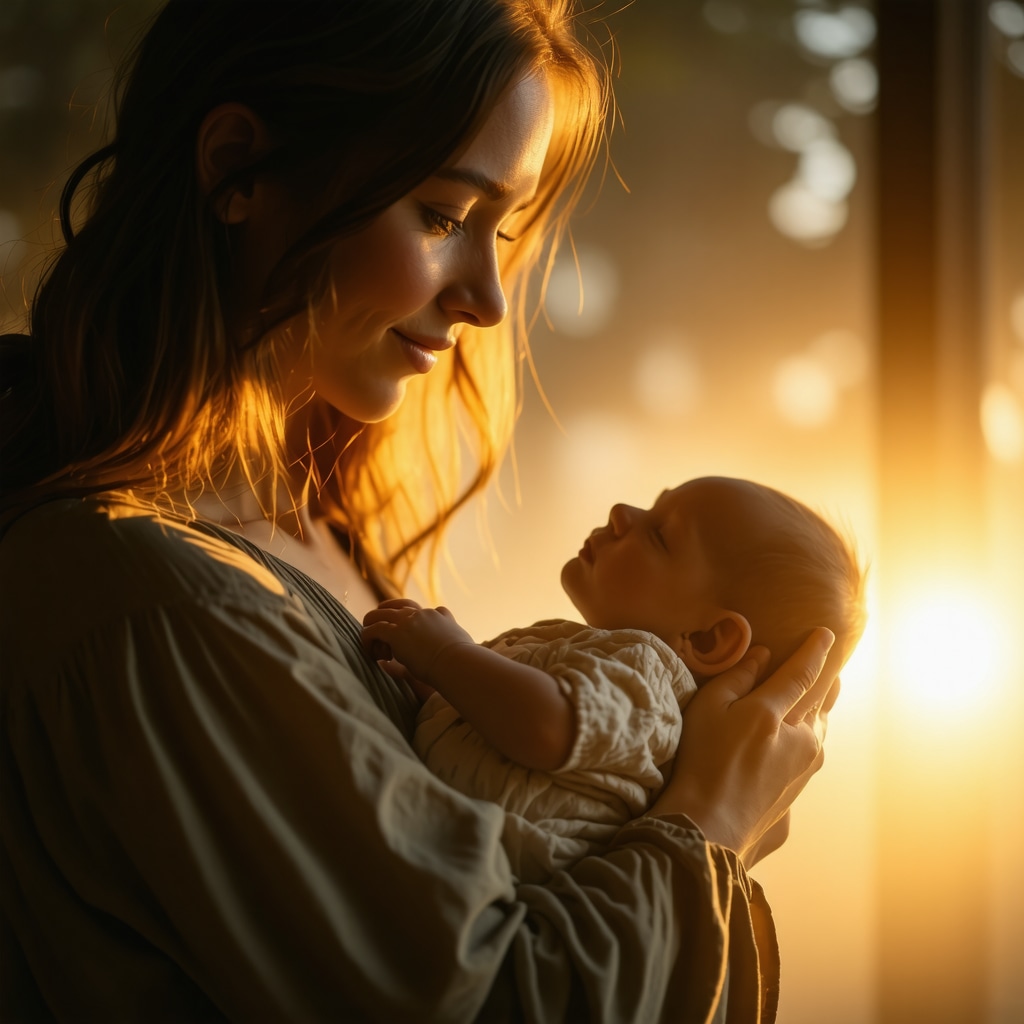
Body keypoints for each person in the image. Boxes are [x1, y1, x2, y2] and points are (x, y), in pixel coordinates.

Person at [0, 2, 840, 1021]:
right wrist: (708, 819)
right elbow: (490, 999)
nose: (486, 298)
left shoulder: (310, 533)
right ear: (238, 169)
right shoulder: (150, 601)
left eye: (505, 230)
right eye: (443, 216)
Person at [363, 476, 866, 884]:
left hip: (486, 874)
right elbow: (500, 731)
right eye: (652, 507)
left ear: (708, 639)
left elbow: (545, 727)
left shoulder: (648, 673)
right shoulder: (597, 661)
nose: (622, 511)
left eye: (660, 536)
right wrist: (433, 684)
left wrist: (448, 654)